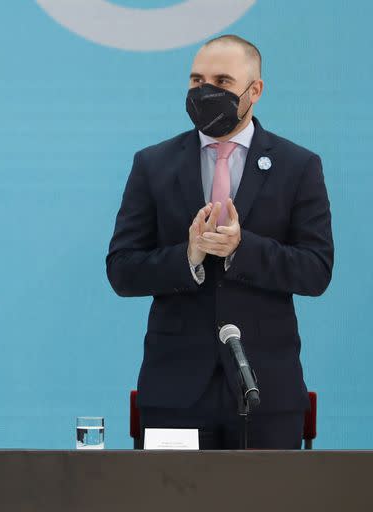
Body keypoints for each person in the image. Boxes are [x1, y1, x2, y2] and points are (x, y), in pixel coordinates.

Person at [106, 35, 333, 449]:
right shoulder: (153, 164)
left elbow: (316, 270)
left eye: (222, 82)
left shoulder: (298, 166)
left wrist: (242, 250)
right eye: (196, 81)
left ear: (255, 91)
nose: (205, 92)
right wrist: (188, 256)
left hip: (265, 391)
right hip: (173, 392)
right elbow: (122, 270)